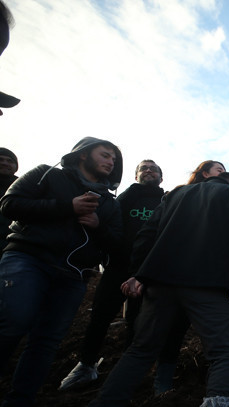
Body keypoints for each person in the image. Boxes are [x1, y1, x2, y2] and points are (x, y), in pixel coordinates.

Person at [72, 167, 229, 407]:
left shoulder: (174, 195)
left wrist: (139, 274)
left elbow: (146, 235)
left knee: (140, 351)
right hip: (208, 285)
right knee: (224, 353)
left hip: (160, 284)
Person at [0, 137, 123, 407]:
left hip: (73, 276)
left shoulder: (109, 201)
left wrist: (97, 226)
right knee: (12, 324)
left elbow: (117, 244)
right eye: (105, 155)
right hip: (29, 259)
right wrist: (67, 206)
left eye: (114, 160)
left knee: (45, 343)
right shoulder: (47, 174)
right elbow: (9, 204)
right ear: (82, 155)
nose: (110, 162)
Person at [59, 160, 170, 391]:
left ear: (161, 176)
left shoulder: (167, 200)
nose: (149, 171)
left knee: (137, 322)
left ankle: (126, 373)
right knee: (100, 316)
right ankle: (86, 364)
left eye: (154, 169)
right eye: (143, 168)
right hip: (118, 266)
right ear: (136, 175)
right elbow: (107, 224)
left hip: (150, 272)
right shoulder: (123, 199)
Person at [0, 147, 18, 252]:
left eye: (9, 161)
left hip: (11, 247)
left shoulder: (28, 189)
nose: (5, 163)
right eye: (0, 159)